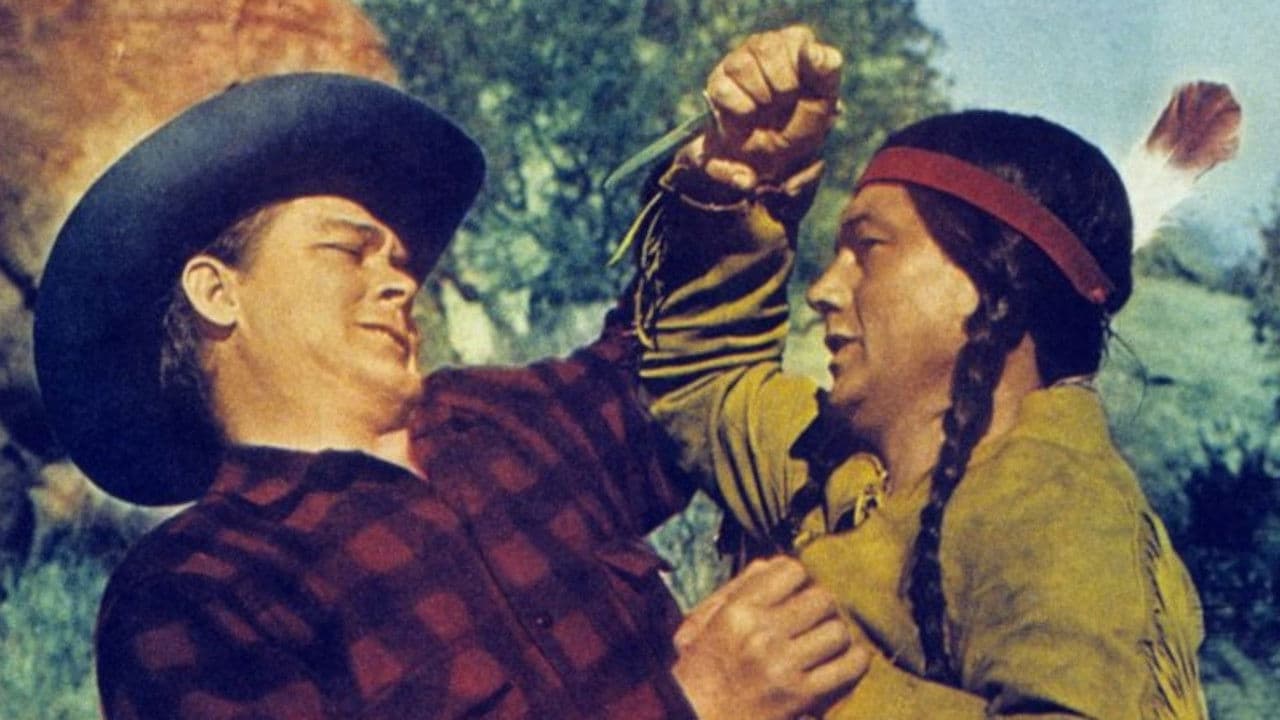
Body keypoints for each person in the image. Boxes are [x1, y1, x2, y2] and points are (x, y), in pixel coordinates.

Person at [33, 69, 866, 718]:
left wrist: (734, 176)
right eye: (348, 251)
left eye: (399, 261)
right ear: (220, 293)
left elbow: (665, 371)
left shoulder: (503, 422)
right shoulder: (194, 592)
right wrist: (692, 705)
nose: (400, 282)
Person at [630, 26, 1208, 719]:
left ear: (991, 281)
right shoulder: (838, 463)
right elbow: (702, 381)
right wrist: (749, 180)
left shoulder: (1063, 512)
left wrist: (819, 690)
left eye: (868, 247)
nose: (825, 289)